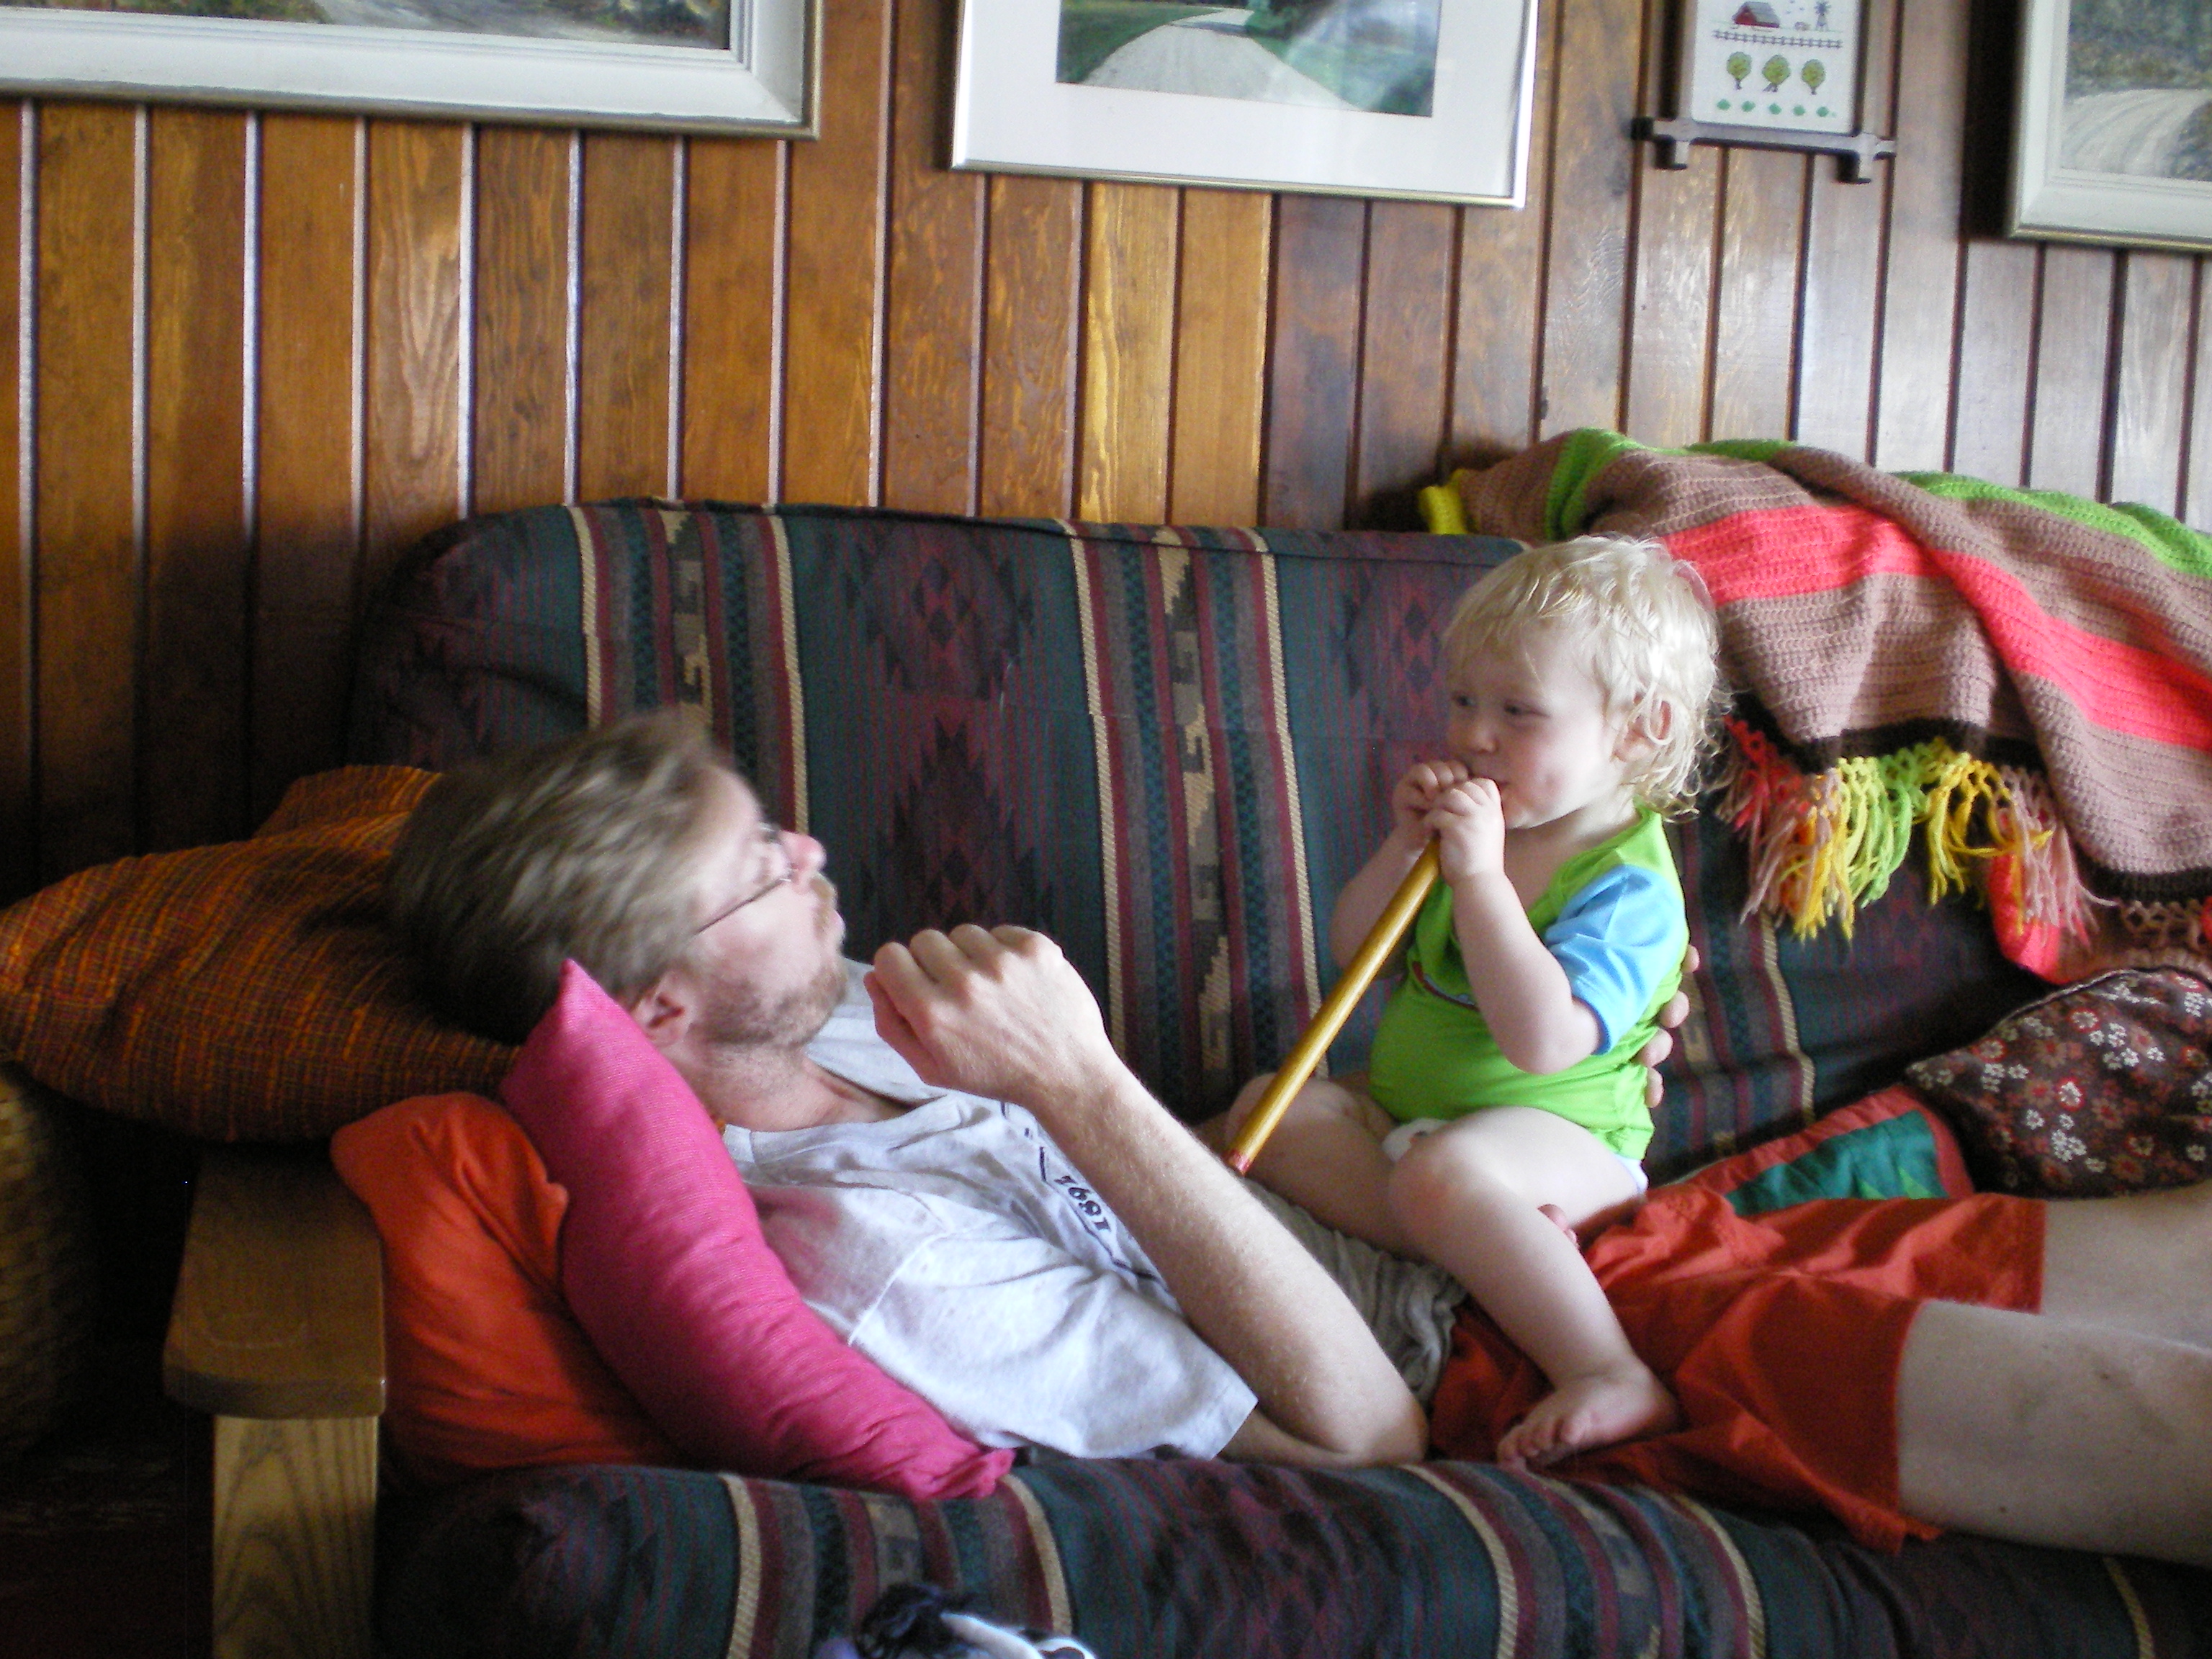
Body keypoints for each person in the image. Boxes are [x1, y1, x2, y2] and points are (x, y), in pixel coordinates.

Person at [386, 712, 2212, 1569]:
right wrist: (1081, 1084)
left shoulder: (847, 1014)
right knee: (2156, 1420)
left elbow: (1171, 1194)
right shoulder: (861, 1260)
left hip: (1527, 1243)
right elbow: (1359, 1434)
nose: (814, 858)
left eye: (780, 828)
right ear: (655, 1014)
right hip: (1491, 1374)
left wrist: (1533, 1080)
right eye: (761, 873)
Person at [1228, 536, 1722, 1467]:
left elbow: (1543, 1041)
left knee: (1440, 1177)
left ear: (1639, 730)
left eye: (1517, 711)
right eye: (1463, 702)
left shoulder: (1627, 889)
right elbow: (1354, 951)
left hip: (1569, 1148)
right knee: (1272, 1110)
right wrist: (1403, 849)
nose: (1473, 737)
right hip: (1420, 1138)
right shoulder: (1482, 835)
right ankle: (1472, 1242)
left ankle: (1608, 1370)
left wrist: (1482, 881)